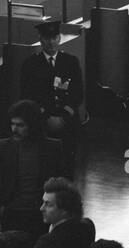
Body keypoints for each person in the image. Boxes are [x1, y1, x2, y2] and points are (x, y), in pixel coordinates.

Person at [18, 18, 84, 181]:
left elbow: (78, 93)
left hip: (67, 123)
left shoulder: (71, 62)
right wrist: (47, 117)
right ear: (41, 39)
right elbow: (27, 96)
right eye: (47, 38)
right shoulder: (30, 64)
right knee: (45, 169)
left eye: (54, 38)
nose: (51, 42)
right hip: (43, 124)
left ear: (59, 38)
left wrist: (64, 116)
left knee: (67, 167)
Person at [0, 100, 63, 237]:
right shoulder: (2, 148)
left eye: (20, 125)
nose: (14, 129)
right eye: (12, 124)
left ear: (33, 126)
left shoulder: (52, 148)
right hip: (11, 211)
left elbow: (63, 182)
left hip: (39, 211)